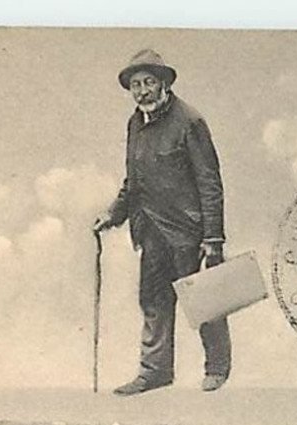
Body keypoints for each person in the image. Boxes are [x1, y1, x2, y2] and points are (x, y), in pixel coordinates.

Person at [94, 49, 232, 395]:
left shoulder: (189, 122)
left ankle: (217, 367)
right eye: (135, 85)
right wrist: (113, 214)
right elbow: (134, 181)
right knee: (153, 300)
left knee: (204, 300)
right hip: (151, 230)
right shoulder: (134, 124)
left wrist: (213, 239)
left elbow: (210, 182)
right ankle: (155, 371)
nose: (142, 91)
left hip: (189, 232)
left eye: (148, 82)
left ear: (164, 83)